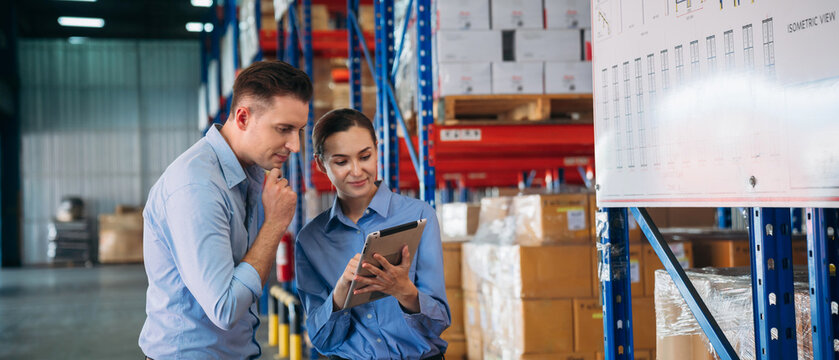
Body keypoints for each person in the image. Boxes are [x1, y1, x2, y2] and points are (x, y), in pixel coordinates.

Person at [139, 60, 311, 359]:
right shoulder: (197, 188)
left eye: (299, 130)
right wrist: (275, 224)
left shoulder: (249, 176)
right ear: (243, 117)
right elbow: (224, 307)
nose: (295, 145)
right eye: (284, 129)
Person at [295, 108, 450, 359]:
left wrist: (404, 291)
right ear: (321, 164)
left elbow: (439, 323)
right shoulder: (311, 239)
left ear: (377, 151)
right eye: (341, 161)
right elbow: (321, 340)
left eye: (365, 156)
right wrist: (339, 297)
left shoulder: (420, 215)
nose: (357, 171)